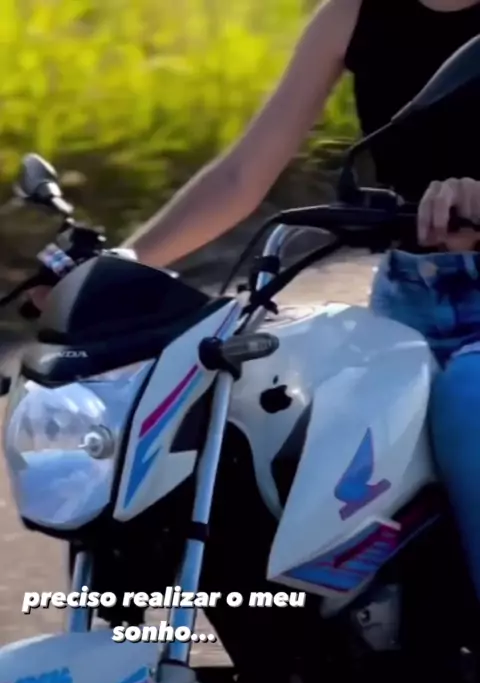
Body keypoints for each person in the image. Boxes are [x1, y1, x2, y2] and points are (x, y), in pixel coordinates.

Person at [34, 3, 480, 604]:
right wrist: (121, 266)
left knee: (470, 397)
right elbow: (242, 176)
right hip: (409, 300)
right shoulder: (352, 13)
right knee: (282, 414)